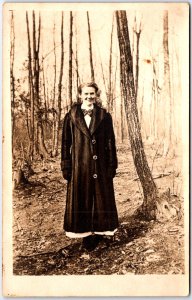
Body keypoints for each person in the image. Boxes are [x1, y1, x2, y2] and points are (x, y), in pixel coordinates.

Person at [61, 82, 118, 251]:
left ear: (96, 95)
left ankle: (101, 233)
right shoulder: (71, 116)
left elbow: (110, 142)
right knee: (81, 198)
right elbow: (65, 143)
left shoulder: (104, 115)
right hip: (80, 166)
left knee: (101, 198)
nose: (89, 97)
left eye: (92, 94)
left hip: (100, 166)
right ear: (80, 95)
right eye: (86, 94)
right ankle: (85, 236)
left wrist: (111, 164)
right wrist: (66, 166)